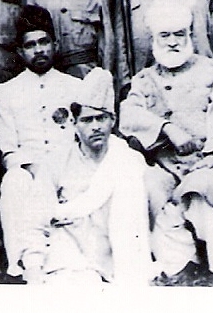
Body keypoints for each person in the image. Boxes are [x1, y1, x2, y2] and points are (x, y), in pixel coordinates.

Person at [0, 4, 114, 280]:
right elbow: (9, 150)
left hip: (68, 168)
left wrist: (59, 172)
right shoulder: (5, 92)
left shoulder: (75, 87)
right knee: (13, 183)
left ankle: (85, 262)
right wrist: (38, 173)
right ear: (20, 51)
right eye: (30, 45)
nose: (39, 50)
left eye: (44, 42)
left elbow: (81, 139)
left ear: (55, 45)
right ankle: (21, 266)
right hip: (29, 172)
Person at [119, 0, 213, 282]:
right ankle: (181, 265)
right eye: (165, 35)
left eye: (179, 34)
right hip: (165, 166)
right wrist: (166, 128)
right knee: (151, 188)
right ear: (154, 40)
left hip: (205, 162)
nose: (172, 42)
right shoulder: (144, 79)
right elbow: (128, 114)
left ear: (190, 36)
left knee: (201, 194)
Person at [14, 93, 153, 286]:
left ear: (112, 121)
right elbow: (36, 219)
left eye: (101, 118)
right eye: (87, 120)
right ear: (74, 124)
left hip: (119, 258)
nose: (96, 126)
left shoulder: (129, 160)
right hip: (71, 257)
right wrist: (33, 266)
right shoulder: (56, 162)